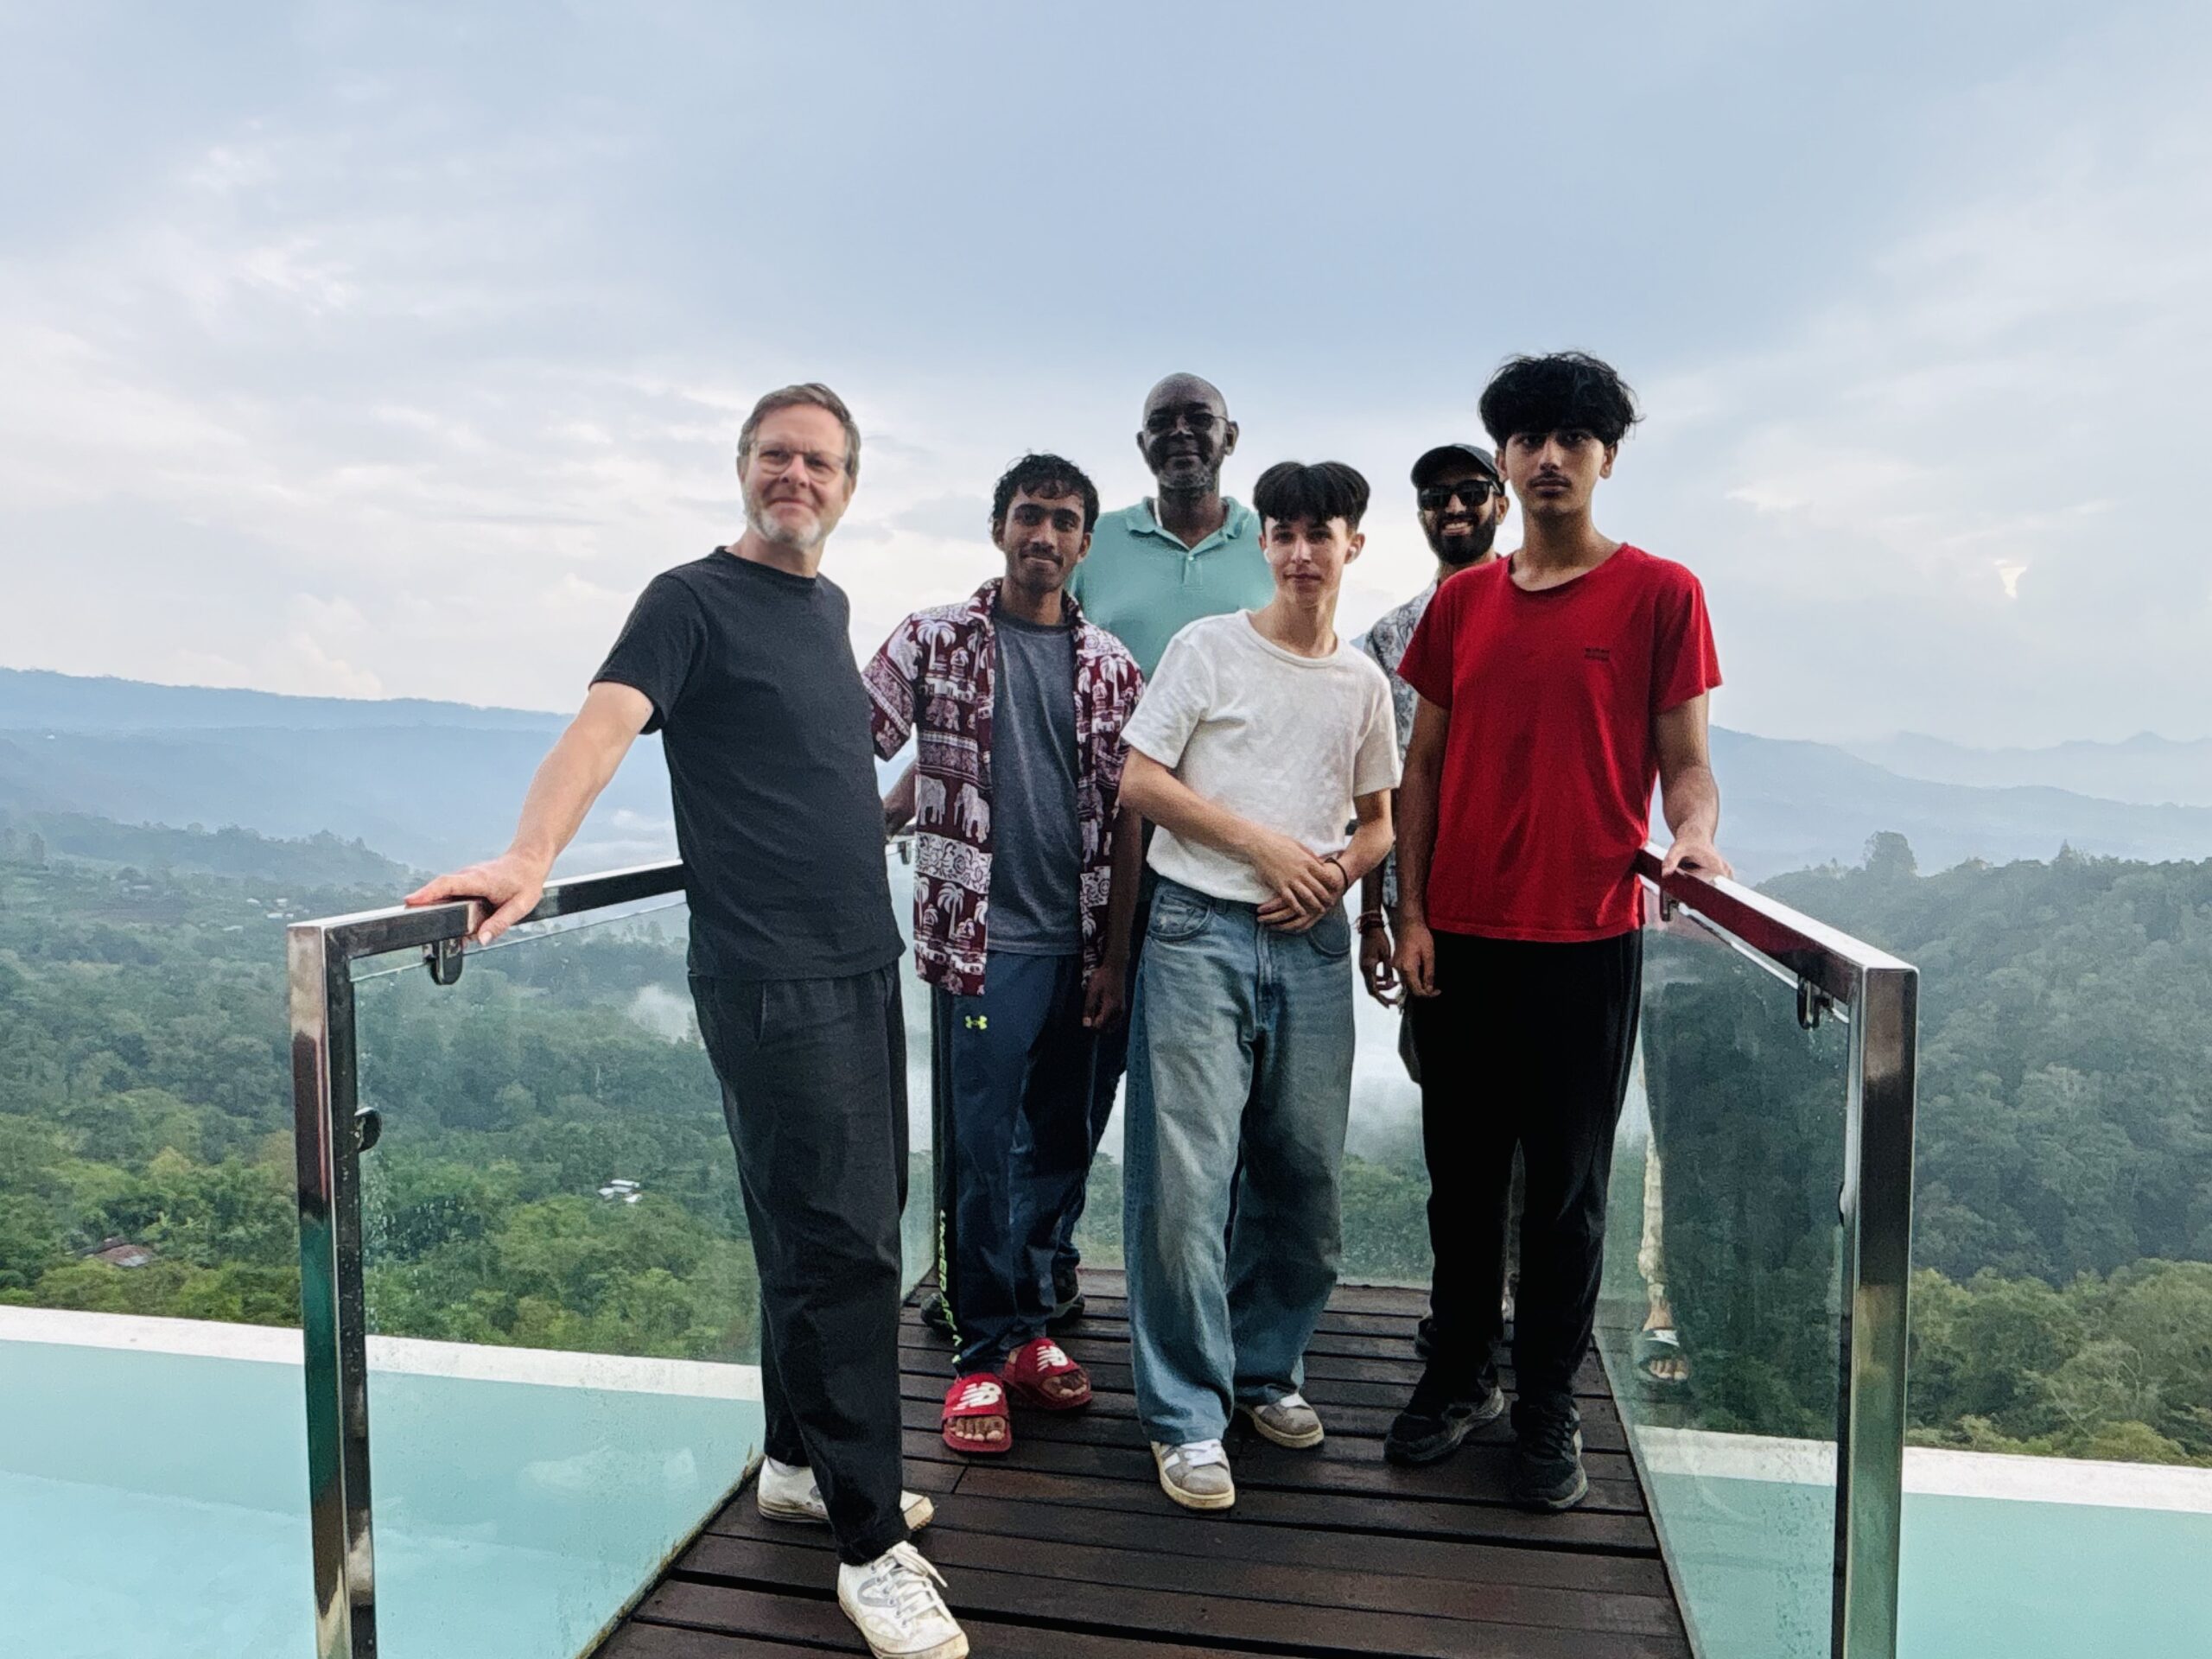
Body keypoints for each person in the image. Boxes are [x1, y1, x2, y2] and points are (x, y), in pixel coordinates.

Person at [404, 385, 965, 1659]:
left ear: (850, 482)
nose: (796, 476)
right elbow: (603, 726)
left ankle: (796, 1462)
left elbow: (809, 772)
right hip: (771, 975)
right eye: (775, 454)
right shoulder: (688, 599)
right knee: (846, 1250)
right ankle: (872, 1547)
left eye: (820, 461)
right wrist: (528, 854)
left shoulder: (822, 608)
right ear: (740, 467)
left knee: (831, 1224)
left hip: (858, 962)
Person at [1389, 353, 1728, 1511]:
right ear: (1501, 460)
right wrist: (1414, 911)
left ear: (1606, 458)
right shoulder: (1461, 603)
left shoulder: (1660, 594)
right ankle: (1460, 1376)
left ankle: (1547, 1405)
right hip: (1465, 941)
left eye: (1570, 439)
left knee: (1572, 1196)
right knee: (1461, 1183)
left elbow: (1687, 767)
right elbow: (1421, 768)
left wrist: (1693, 842)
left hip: (1587, 941)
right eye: (1526, 438)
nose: (1547, 458)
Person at [1115, 461, 1399, 1512]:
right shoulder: (1210, 649)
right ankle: (1187, 1414)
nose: (1298, 552)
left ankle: (1264, 1369)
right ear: (1264, 545)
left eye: (1319, 532)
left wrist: (1330, 873)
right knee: (1186, 1179)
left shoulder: (1362, 681)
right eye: (1281, 532)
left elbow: (1379, 821)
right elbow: (1140, 778)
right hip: (1196, 929)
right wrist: (1263, 849)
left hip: (1312, 936)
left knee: (1303, 1179)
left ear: (1352, 545)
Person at [861, 454, 1145, 1458]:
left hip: (1083, 947)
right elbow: (851, 734)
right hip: (979, 946)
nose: (1044, 536)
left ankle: (1026, 1330)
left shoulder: (1112, 666)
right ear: (997, 528)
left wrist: (1115, 958)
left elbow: (1133, 823)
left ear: (1083, 543)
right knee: (981, 1154)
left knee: (1060, 1143)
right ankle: (979, 1353)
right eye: (1029, 516)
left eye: (1064, 521)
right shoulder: (936, 640)